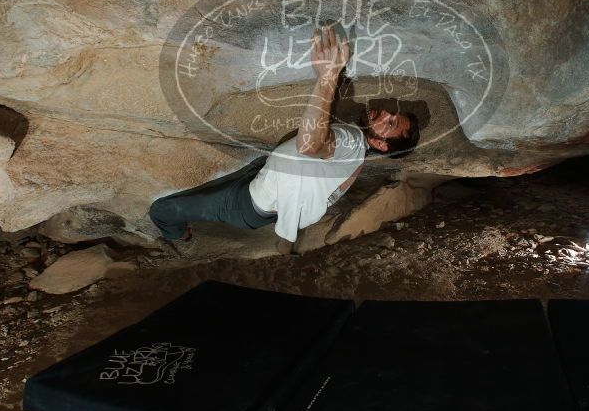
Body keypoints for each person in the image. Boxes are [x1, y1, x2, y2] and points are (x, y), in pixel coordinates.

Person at [148, 23, 420, 253]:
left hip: (245, 202)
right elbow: (327, 188)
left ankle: (181, 238)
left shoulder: (351, 140)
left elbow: (310, 145)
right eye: (391, 113)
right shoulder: (358, 157)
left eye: (391, 123)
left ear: (381, 144)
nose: (384, 113)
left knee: (162, 210)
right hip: (264, 188)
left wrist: (328, 75)